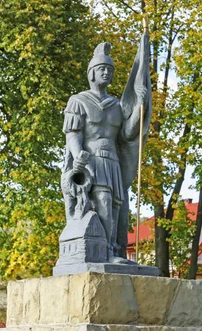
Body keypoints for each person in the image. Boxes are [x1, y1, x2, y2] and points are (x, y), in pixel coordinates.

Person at [62, 39, 151, 263]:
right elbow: (73, 132)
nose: (106, 74)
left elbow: (128, 134)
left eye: (109, 70)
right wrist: (78, 152)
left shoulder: (116, 106)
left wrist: (140, 107)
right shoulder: (78, 101)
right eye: (102, 69)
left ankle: (116, 250)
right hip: (92, 160)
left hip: (113, 161)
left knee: (117, 207)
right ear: (91, 73)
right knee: (102, 200)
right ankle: (106, 253)